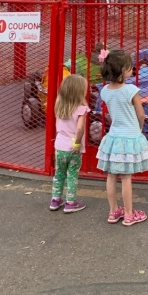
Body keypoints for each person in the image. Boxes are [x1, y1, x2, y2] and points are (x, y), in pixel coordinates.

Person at [95, 49, 148, 226]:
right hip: (130, 136)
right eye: (129, 66)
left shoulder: (105, 91)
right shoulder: (132, 90)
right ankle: (128, 214)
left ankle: (113, 211)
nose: (132, 69)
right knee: (126, 177)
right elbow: (141, 115)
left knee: (111, 176)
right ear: (122, 70)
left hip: (113, 137)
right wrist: (139, 128)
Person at [49, 74, 90, 213]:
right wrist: (77, 143)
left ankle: (55, 200)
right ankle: (70, 203)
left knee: (59, 173)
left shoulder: (59, 105)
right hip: (73, 147)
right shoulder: (81, 109)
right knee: (72, 174)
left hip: (59, 146)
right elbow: (80, 128)